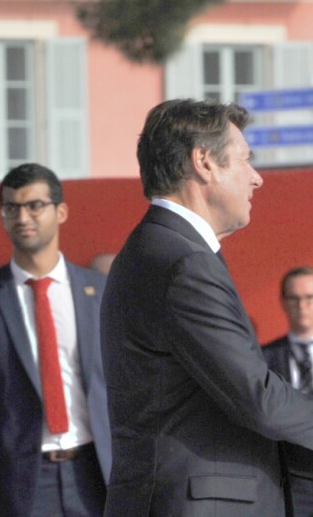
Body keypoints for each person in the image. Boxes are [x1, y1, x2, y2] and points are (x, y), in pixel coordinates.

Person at [100, 98, 313, 516]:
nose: (257, 179)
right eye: (245, 160)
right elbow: (260, 400)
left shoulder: (159, 249)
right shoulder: (184, 262)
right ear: (204, 162)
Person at [0, 163, 111, 517]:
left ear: (60, 212)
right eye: (11, 208)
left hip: (96, 476)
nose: (22, 216)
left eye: (34, 205)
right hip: (18, 485)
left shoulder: (100, 293)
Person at [263, 266, 313, 516]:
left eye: (309, 298)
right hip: (291, 482)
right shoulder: (262, 360)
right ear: (283, 302)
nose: (302, 306)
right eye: (294, 298)